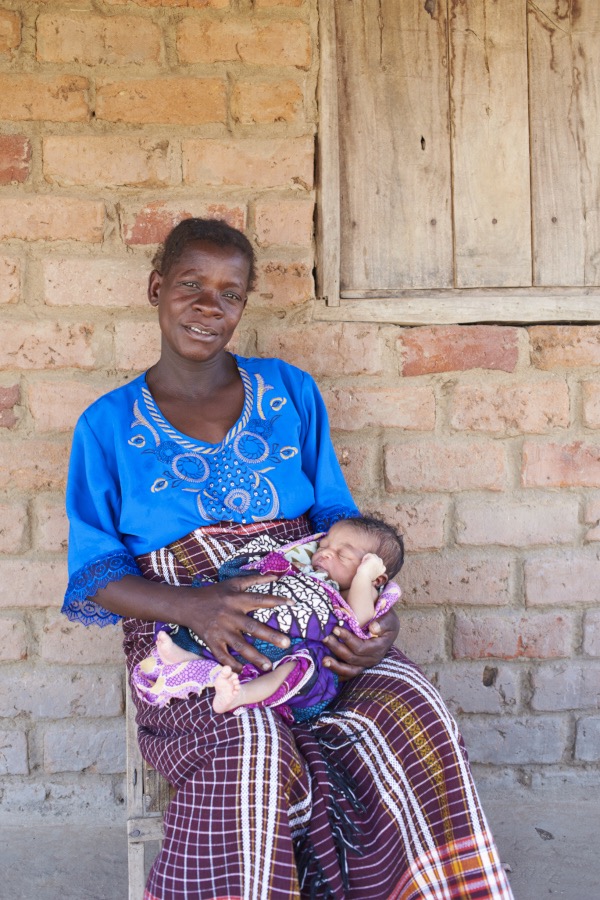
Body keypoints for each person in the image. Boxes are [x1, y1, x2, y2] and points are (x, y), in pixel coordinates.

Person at [62, 217, 513, 900]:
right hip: (185, 630)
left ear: (244, 304)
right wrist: (196, 608)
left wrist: (373, 618)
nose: (209, 308)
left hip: (314, 613)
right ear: (156, 288)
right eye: (190, 286)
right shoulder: (107, 424)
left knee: (411, 706)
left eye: (230, 294)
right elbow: (96, 572)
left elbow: (338, 522)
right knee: (253, 748)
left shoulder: (290, 391)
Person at [132, 515, 404, 721]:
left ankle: (242, 695)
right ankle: (185, 657)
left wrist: (364, 576)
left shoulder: (362, 590)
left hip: (299, 649)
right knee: (212, 624)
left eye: (342, 555)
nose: (324, 552)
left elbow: (360, 621)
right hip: (255, 627)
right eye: (324, 544)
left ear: (376, 576)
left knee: (299, 666)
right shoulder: (309, 569)